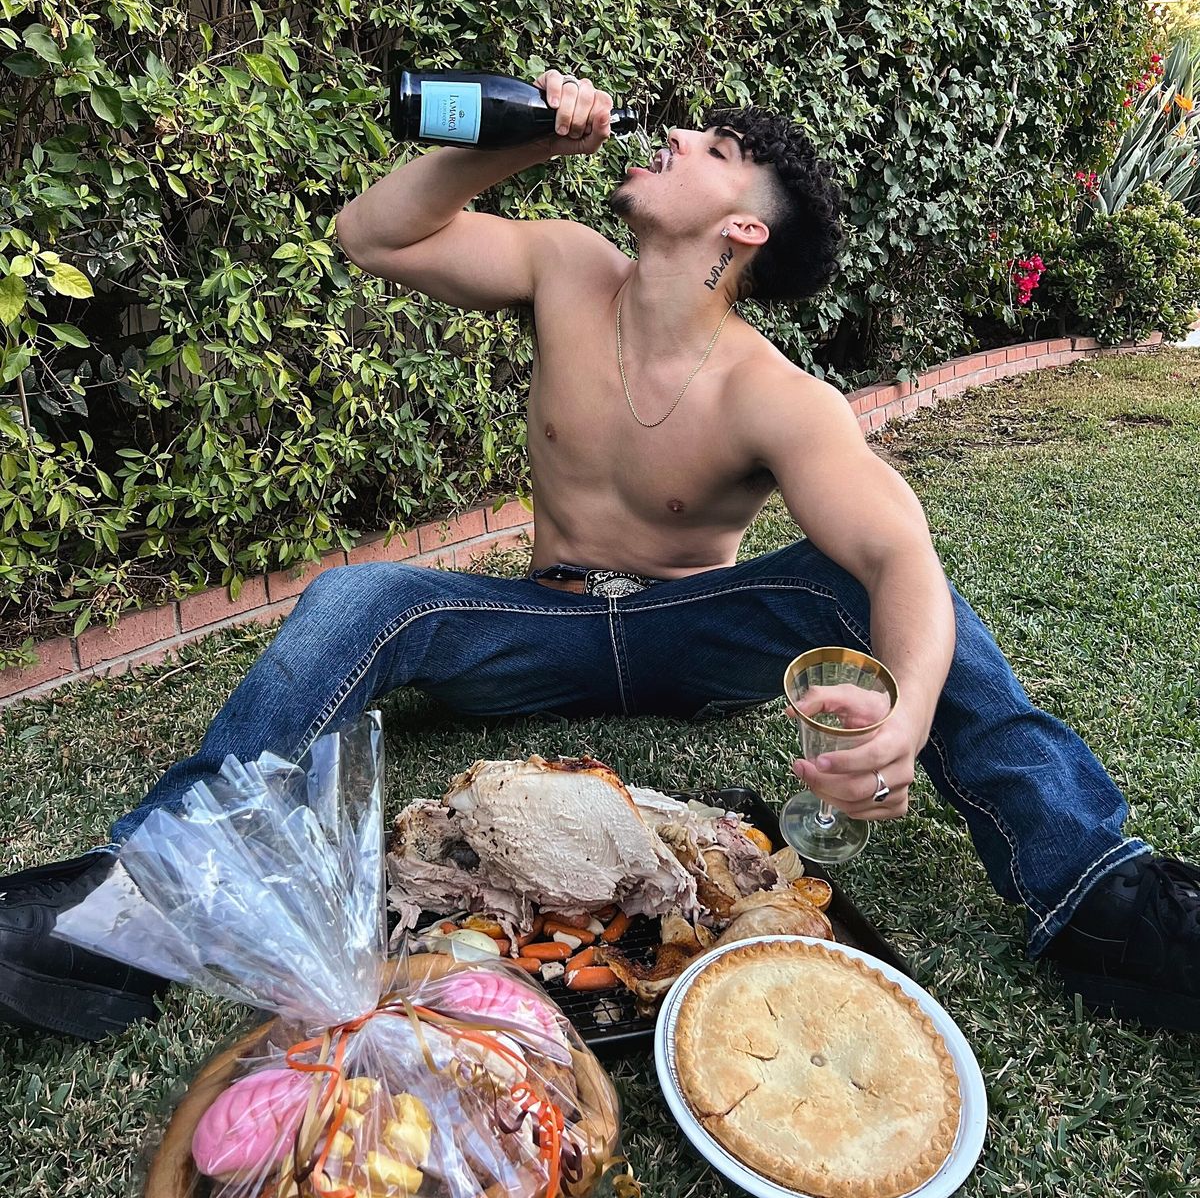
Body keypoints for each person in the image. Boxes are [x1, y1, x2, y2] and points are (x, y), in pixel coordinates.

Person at [2, 70, 1197, 1041]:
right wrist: (517, 142)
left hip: (692, 637)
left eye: (714, 146)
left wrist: (911, 707)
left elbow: (899, 554)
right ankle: (141, 895)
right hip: (544, 624)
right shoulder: (566, 267)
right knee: (363, 595)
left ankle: (1097, 892)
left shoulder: (774, 394)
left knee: (850, 574)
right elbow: (369, 233)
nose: (676, 134)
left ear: (742, 229)